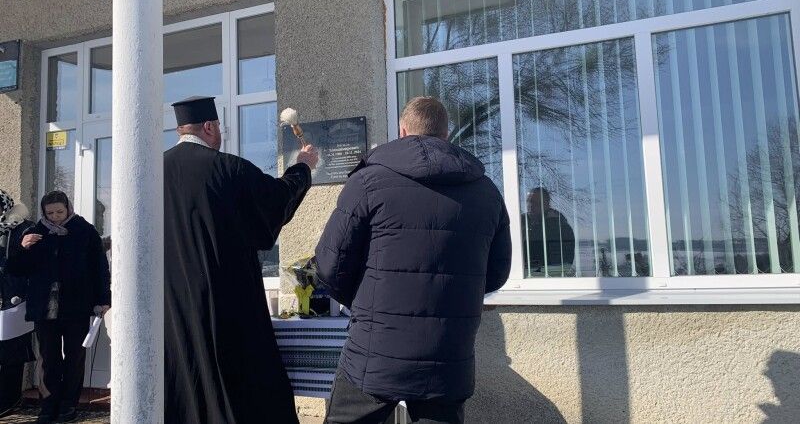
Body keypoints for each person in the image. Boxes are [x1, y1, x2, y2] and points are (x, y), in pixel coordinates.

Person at [315, 96, 511, 424]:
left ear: (403, 131)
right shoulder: (486, 191)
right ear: (446, 134)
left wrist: (365, 303)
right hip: (448, 351)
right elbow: (497, 273)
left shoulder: (367, 181)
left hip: (376, 348)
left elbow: (329, 265)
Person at [164, 96, 318, 423]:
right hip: (227, 301)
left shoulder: (151, 174)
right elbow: (275, 202)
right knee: (241, 386)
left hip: (172, 306)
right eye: (219, 128)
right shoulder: (228, 169)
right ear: (209, 127)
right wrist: (303, 167)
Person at [6, 190, 111, 423]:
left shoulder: (84, 231)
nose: (55, 217)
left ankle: (68, 405)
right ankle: (48, 405)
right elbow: (15, 269)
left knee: (75, 355)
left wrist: (103, 299)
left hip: (77, 304)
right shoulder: (35, 233)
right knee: (48, 357)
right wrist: (22, 248)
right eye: (50, 213)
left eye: (59, 212)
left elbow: (100, 268)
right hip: (43, 306)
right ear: (43, 212)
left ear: (68, 209)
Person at [0, 190, 36, 417]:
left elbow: (30, 263)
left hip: (13, 299)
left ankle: (9, 399)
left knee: (12, 353)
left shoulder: (23, 228)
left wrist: (21, 249)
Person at [521, 188, 575, 275]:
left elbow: (564, 263)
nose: (531, 206)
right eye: (529, 202)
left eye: (536, 203)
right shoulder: (519, 225)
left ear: (546, 204)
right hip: (523, 277)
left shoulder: (560, 229)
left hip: (548, 278)